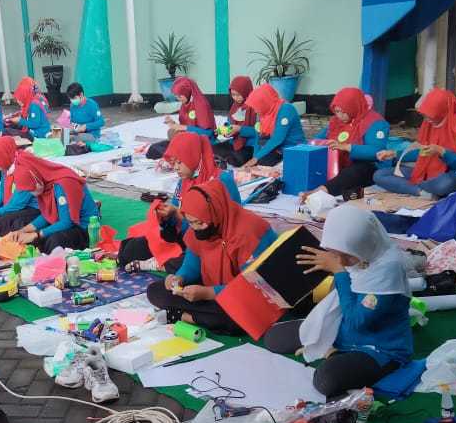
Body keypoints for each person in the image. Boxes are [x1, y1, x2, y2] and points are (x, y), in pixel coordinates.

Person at [264, 205, 413, 398]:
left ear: (364, 246)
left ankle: (334, 354)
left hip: (379, 348)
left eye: (347, 255)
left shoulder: (387, 269)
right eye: (334, 253)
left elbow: (356, 322)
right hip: (341, 331)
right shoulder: (357, 252)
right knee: (274, 338)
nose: (341, 261)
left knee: (326, 379)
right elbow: (342, 296)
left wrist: (339, 272)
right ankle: (334, 350)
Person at [146, 183, 275, 332]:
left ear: (215, 212)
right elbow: (192, 263)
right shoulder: (200, 227)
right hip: (216, 289)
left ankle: (185, 316)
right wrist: (179, 278)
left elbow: (254, 285)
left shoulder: (249, 231)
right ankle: (199, 316)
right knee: (156, 291)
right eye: (191, 223)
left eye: (200, 223)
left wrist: (208, 293)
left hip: (253, 294)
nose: (196, 228)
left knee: (240, 317)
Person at [121, 132, 239, 273]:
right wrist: (166, 215)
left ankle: (160, 263)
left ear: (193, 156)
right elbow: (177, 213)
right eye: (173, 163)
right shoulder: (184, 181)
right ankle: (166, 259)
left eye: (179, 162)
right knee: (132, 249)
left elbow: (227, 223)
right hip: (184, 238)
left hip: (210, 241)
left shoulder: (221, 180)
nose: (176, 167)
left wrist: (178, 214)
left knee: (201, 260)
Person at [373, 88, 456, 198]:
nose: (427, 119)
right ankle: (421, 191)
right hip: (426, 171)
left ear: (442, 111)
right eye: (425, 116)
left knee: (446, 183)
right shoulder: (429, 122)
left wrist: (442, 152)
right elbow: (422, 152)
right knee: (380, 175)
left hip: (453, 173)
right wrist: (395, 154)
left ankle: (413, 187)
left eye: (432, 115)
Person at [5, 152, 100, 251]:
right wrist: (22, 231)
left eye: (31, 189)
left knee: (53, 240)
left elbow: (67, 222)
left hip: (84, 227)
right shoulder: (45, 183)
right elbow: (48, 215)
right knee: (31, 237)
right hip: (64, 220)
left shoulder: (65, 184)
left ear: (36, 178)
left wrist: (36, 234)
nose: (31, 193)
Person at [311, 87, 391, 199]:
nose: (340, 116)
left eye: (344, 112)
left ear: (354, 107)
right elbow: (316, 140)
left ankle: (318, 192)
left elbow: (377, 151)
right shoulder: (336, 121)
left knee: (353, 172)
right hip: (340, 162)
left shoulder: (375, 122)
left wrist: (346, 147)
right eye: (337, 111)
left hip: (368, 165)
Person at [239, 83, 306, 167]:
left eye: (257, 107)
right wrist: (254, 158)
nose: (255, 111)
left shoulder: (286, 110)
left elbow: (277, 139)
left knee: (262, 163)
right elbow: (258, 138)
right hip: (278, 150)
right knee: (258, 162)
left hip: (294, 149)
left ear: (264, 102)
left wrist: (256, 158)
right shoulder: (264, 114)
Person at [150, 76, 218, 158]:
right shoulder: (185, 104)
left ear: (187, 92)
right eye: (176, 96)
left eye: (180, 96)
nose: (178, 99)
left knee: (165, 150)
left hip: (205, 143)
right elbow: (186, 125)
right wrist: (173, 124)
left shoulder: (201, 105)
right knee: (155, 148)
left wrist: (183, 127)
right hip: (190, 140)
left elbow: (208, 133)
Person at [215, 76, 256, 166]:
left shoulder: (255, 108)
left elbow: (258, 132)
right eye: (233, 95)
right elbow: (229, 124)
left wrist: (239, 129)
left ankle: (227, 159)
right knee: (214, 149)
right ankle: (226, 158)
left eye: (238, 95)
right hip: (235, 143)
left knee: (238, 158)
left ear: (246, 91)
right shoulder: (235, 107)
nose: (236, 98)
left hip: (250, 145)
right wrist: (224, 131)